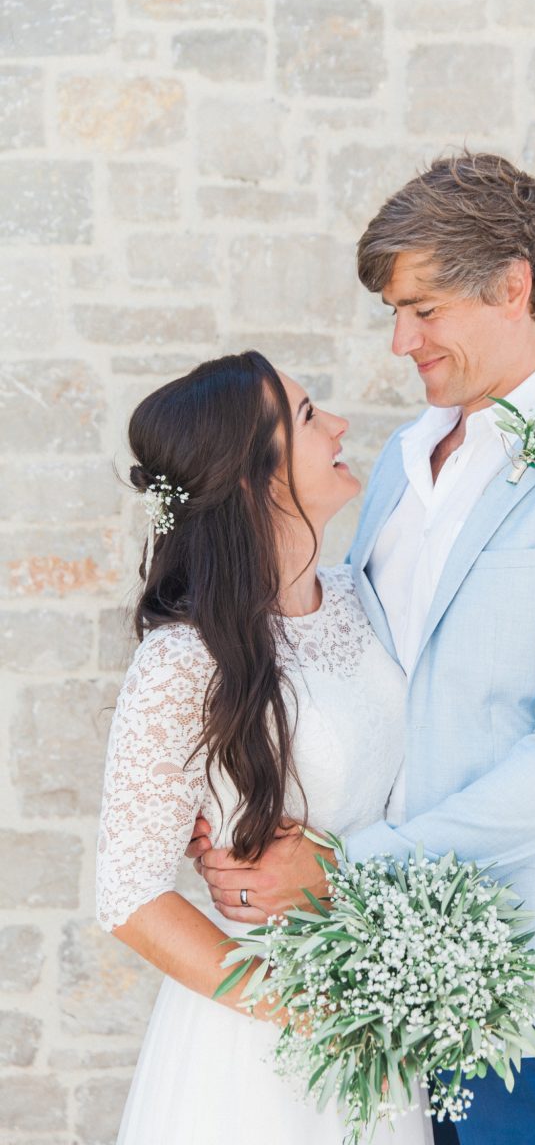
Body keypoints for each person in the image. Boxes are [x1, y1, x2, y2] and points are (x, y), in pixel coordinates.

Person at [189, 154, 535, 1144]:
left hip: (523, 966)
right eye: (393, 311)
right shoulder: (399, 466)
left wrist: (341, 866)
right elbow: (351, 665)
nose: (399, 341)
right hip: (371, 967)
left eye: (424, 310)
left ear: (515, 286)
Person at [96, 352, 429, 1145]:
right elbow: (129, 895)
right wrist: (305, 1006)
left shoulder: (358, 595)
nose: (341, 425)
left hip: (379, 1002)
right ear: (253, 479)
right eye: (310, 416)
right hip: (261, 1040)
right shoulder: (185, 660)